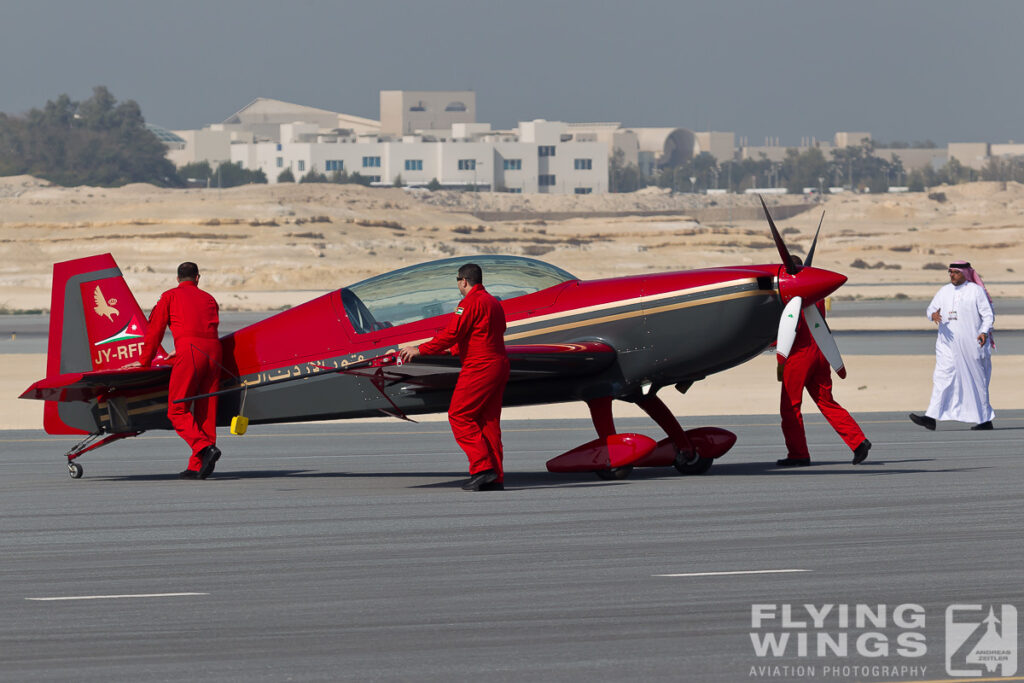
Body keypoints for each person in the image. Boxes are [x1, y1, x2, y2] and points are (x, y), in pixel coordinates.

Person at [399, 263, 510, 491]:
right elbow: (488, 332)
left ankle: (482, 469)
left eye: (458, 281)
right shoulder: (493, 302)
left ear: (463, 281)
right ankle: (495, 477)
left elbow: (452, 333)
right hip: (499, 365)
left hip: (479, 367)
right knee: (488, 422)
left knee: (459, 415)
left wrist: (421, 349)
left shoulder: (469, 303)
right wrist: (454, 350)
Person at [777, 257, 871, 467]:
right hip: (821, 352)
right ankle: (858, 442)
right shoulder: (817, 293)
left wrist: (775, 350)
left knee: (790, 407)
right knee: (827, 401)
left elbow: (788, 327)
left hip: (798, 355)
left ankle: (798, 454)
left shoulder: (790, 295)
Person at [137, 262, 223, 479]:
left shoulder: (170, 296)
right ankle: (198, 465)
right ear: (197, 278)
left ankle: (204, 449)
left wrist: (144, 361)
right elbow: (205, 329)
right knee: (206, 411)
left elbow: (155, 330)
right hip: (214, 352)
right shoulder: (209, 298)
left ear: (177, 279)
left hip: (190, 352)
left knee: (177, 409)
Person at [910, 260, 995, 431]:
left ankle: (985, 420)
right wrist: (932, 315)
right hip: (946, 344)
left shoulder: (976, 291)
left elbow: (988, 315)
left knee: (977, 381)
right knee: (941, 377)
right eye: (949, 272)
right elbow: (930, 310)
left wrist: (984, 332)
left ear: (965, 273)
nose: (951, 275)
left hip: (972, 343)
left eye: (955, 272)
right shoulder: (944, 291)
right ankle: (930, 417)